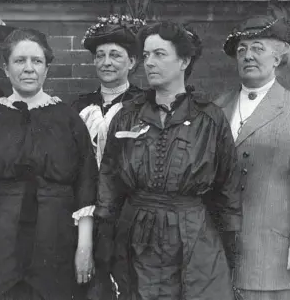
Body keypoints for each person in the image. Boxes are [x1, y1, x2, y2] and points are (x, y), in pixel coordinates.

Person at [93, 21, 242, 300]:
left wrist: (229, 246)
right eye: (146, 55)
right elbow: (109, 182)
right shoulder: (126, 116)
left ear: (184, 60)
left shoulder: (209, 118)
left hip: (193, 236)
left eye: (159, 54)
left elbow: (228, 188)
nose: (149, 62)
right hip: (136, 236)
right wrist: (104, 242)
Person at [0, 28, 98, 300]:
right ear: (5, 69)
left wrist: (84, 247)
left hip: (55, 240)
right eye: (19, 61)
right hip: (0, 242)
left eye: (37, 61)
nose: (28, 68)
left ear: (46, 69)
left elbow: (86, 183)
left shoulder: (68, 119)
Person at [215, 0, 290, 300]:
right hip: (220, 250)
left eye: (257, 48)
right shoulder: (217, 107)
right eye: (242, 50)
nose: (247, 56)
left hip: (274, 251)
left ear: (278, 58)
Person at [72, 14, 144, 167]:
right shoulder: (80, 107)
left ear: (131, 62)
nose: (106, 63)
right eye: (100, 56)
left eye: (115, 56)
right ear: (94, 61)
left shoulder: (143, 105)